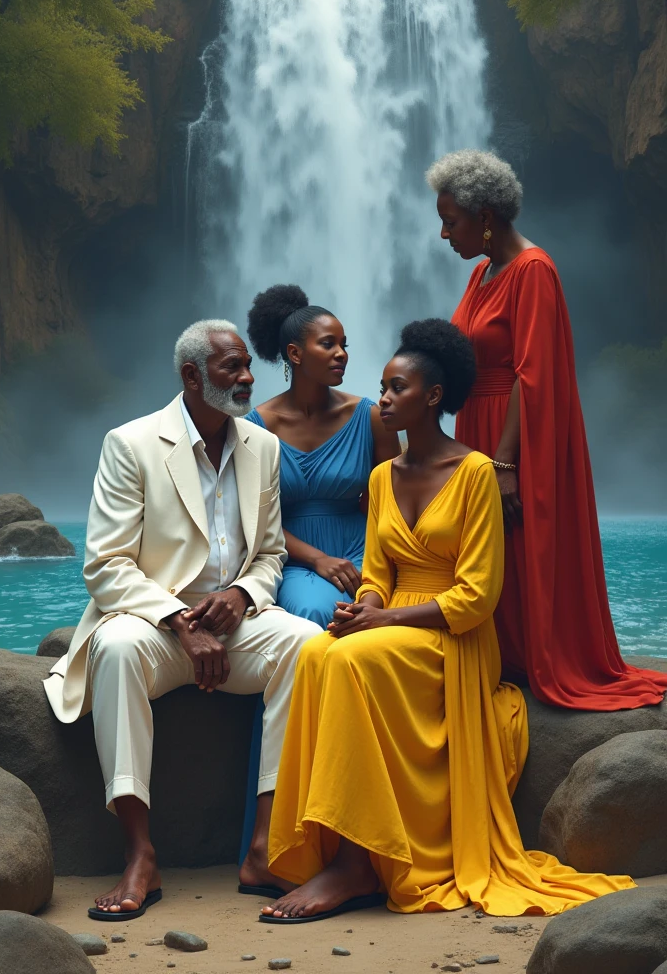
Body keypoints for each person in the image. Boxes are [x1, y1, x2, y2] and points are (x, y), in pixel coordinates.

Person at [259, 319, 634, 923]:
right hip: (398, 623)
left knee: (350, 659)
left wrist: (386, 623)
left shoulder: (477, 473)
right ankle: (335, 845)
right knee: (319, 651)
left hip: (451, 635)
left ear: (432, 397)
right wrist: (368, 605)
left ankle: (355, 865)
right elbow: (378, 569)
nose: (381, 399)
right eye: (381, 388)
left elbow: (477, 598)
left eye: (396, 389)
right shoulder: (383, 476)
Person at [43, 320, 321, 920]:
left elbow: (271, 552)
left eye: (249, 365)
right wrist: (180, 622)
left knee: (308, 644)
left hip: (234, 626)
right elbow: (107, 565)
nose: (248, 378)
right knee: (114, 649)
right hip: (155, 626)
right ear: (192, 376)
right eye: (232, 367)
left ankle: (264, 847)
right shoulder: (131, 443)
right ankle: (140, 855)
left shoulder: (262, 446)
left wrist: (243, 595)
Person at [425, 148, 667, 710]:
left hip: (515, 435)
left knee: (519, 539)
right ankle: (502, 653)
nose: (443, 234)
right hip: (476, 430)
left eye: (450, 221)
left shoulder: (535, 270)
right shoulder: (484, 273)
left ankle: (540, 656)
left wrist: (505, 464)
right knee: (487, 551)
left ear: (485, 216)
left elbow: (531, 375)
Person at [237, 284, 399, 864]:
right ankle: (291, 829)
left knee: (379, 625)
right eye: (328, 344)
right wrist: (318, 560)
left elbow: (391, 501)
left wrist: (380, 570)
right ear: (294, 353)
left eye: (345, 345)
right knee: (311, 616)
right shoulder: (257, 426)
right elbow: (256, 523)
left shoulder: (371, 417)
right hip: (294, 552)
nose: (342, 354)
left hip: (365, 550)